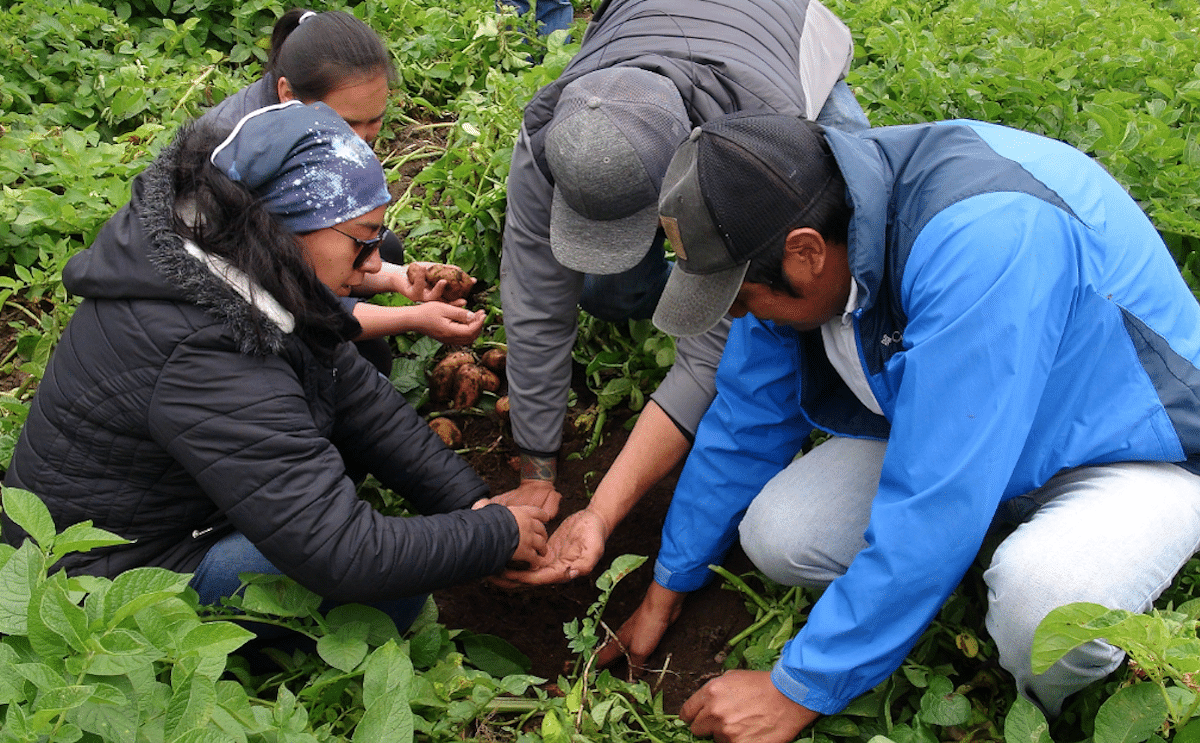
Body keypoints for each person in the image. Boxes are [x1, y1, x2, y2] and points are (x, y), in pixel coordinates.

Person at [596, 110, 1200, 743]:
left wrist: (796, 689)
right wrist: (667, 587)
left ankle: (1035, 707)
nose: (745, 316)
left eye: (744, 299)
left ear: (806, 253)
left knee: (1046, 611)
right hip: (973, 438)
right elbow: (747, 420)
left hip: (1128, 450)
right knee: (780, 535)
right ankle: (957, 563)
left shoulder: (984, 236)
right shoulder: (799, 225)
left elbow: (938, 496)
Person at [1, 102, 551, 633]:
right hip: (101, 573)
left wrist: (470, 503)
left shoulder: (242, 263)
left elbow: (360, 398)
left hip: (178, 507)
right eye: (362, 242)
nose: (377, 265)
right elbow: (343, 553)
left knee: (353, 464)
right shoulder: (203, 349)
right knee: (388, 593)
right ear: (283, 229)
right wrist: (491, 536)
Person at [497, 0, 870, 583]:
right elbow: (534, 303)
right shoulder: (556, 134)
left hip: (783, 37)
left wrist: (603, 514)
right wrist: (535, 468)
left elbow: (708, 355)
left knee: (851, 248)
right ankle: (670, 292)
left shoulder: (758, 147)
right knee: (609, 291)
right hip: (649, 24)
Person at [204, 8, 485, 373]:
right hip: (229, 313)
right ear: (286, 94)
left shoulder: (308, 119)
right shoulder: (236, 171)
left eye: (375, 122)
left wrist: (401, 279)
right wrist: (413, 319)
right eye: (349, 124)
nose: (363, 141)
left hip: (280, 275)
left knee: (387, 252)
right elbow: (284, 300)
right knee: (365, 363)